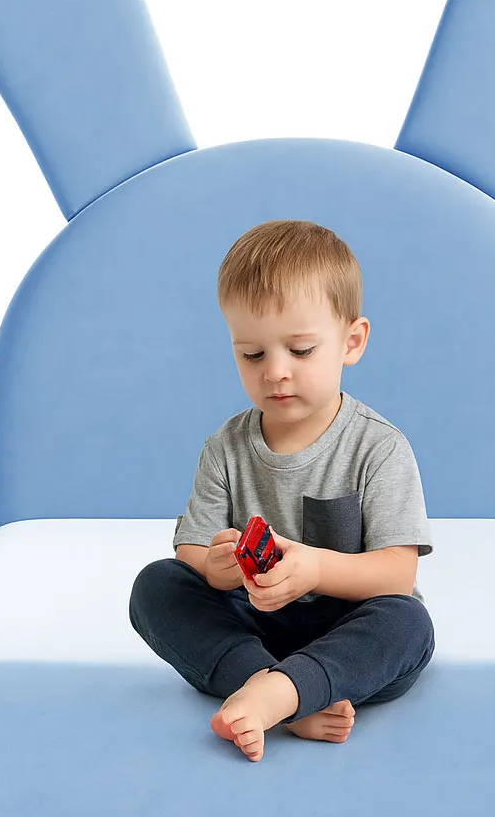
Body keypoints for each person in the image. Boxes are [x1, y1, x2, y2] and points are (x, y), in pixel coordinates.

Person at [129, 219, 435, 762]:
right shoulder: (225, 447)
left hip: (344, 627)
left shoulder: (379, 447)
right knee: (156, 586)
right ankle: (278, 690)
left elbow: (397, 573)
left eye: (300, 350)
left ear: (351, 342)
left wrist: (315, 569)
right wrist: (215, 567)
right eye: (252, 355)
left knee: (408, 622)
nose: (275, 372)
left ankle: (282, 692)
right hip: (254, 628)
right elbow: (190, 550)